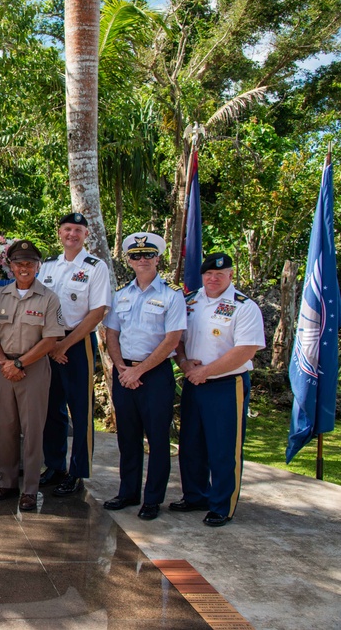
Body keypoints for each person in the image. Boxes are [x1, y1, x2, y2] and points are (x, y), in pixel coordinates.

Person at [172, 253, 265, 527]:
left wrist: (205, 372)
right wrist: (185, 363)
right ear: (202, 276)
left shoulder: (244, 307)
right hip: (193, 381)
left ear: (231, 276)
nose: (213, 279)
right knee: (191, 444)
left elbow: (246, 350)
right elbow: (177, 339)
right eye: (208, 274)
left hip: (226, 385)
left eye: (220, 274)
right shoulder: (189, 302)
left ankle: (222, 505)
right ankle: (196, 495)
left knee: (224, 447)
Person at [103, 232, 186, 521]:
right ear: (128, 260)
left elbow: (172, 339)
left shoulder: (171, 294)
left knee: (158, 439)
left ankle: (152, 499)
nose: (142, 260)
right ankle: (128, 492)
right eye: (136, 256)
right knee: (127, 437)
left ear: (157, 258)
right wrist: (122, 368)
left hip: (155, 375)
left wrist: (139, 370)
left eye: (148, 255)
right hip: (125, 372)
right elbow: (111, 333)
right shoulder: (121, 294)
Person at [0, 240, 64, 511]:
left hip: (34, 368)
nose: (24, 268)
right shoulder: (0, 296)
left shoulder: (49, 298)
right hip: (4, 366)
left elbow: (51, 338)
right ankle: (6, 482)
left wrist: (19, 364)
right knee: (6, 427)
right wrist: (4, 362)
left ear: (38, 267)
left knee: (32, 430)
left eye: (30, 263)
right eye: (19, 263)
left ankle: (30, 489)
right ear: (11, 266)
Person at [38, 212, 111, 496]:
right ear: (59, 232)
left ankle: (78, 471)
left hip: (76, 344)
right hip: (47, 342)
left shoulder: (95, 267)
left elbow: (96, 313)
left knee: (80, 411)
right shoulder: (47, 266)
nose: (72, 234)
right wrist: (50, 344)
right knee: (50, 408)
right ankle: (55, 465)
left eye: (78, 230)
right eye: (67, 229)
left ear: (86, 235)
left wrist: (64, 346)